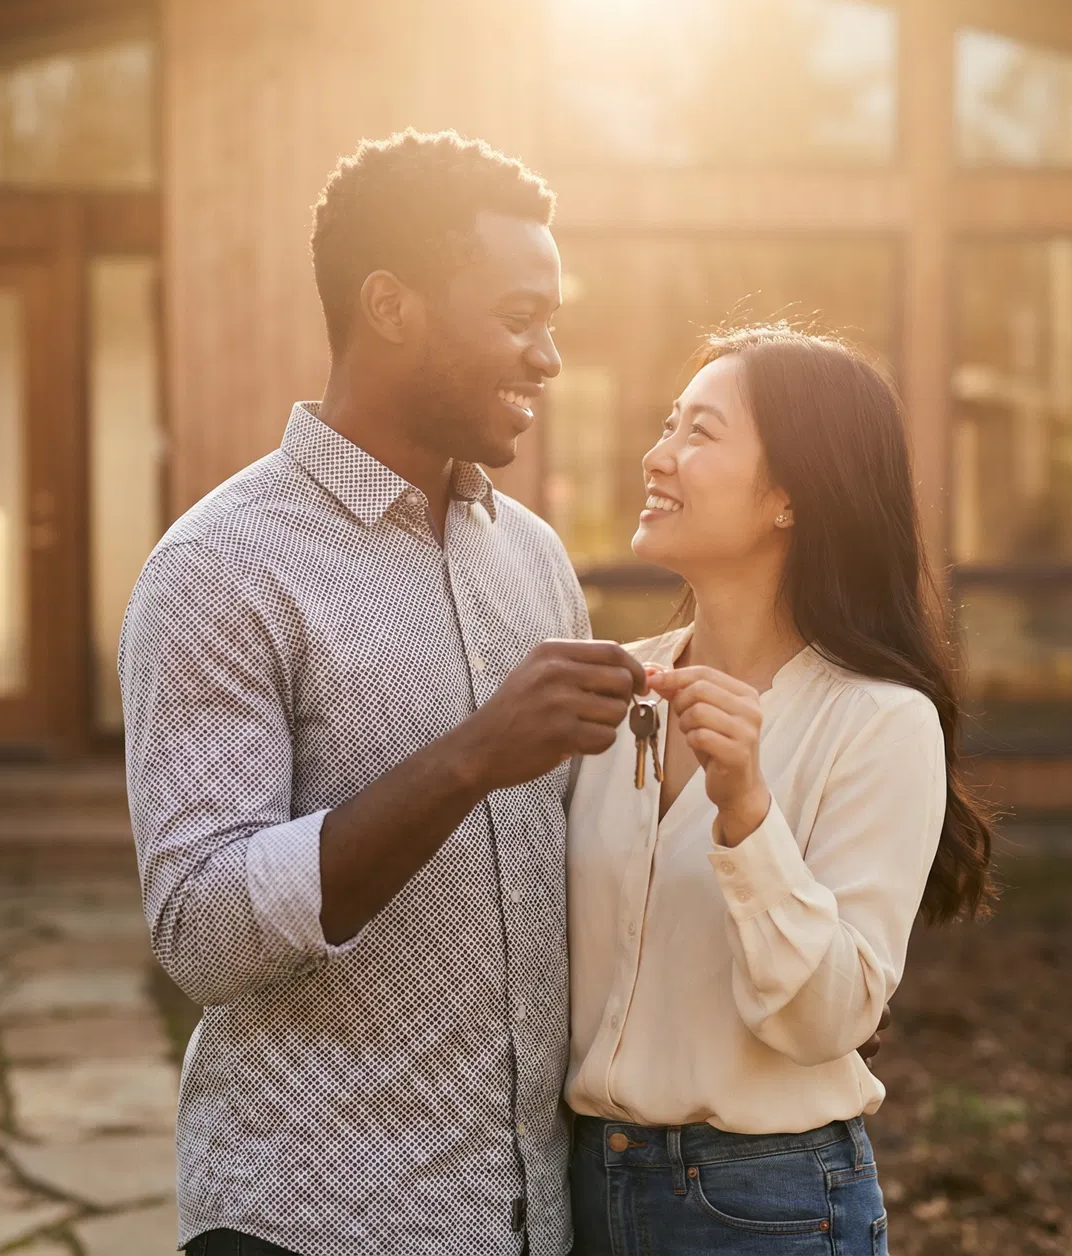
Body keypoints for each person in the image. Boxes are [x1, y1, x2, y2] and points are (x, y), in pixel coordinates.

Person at [118, 129, 648, 1256]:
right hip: (310, 1222)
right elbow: (200, 931)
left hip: (527, 1224)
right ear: (390, 306)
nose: (548, 356)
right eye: (518, 316)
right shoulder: (221, 567)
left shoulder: (538, 561)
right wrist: (469, 759)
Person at [564, 327, 996, 1256]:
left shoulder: (879, 721)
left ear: (790, 495)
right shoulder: (608, 692)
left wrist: (748, 812)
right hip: (576, 1190)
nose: (658, 454)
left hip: (765, 1209)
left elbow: (832, 1018)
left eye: (701, 433)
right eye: (668, 423)